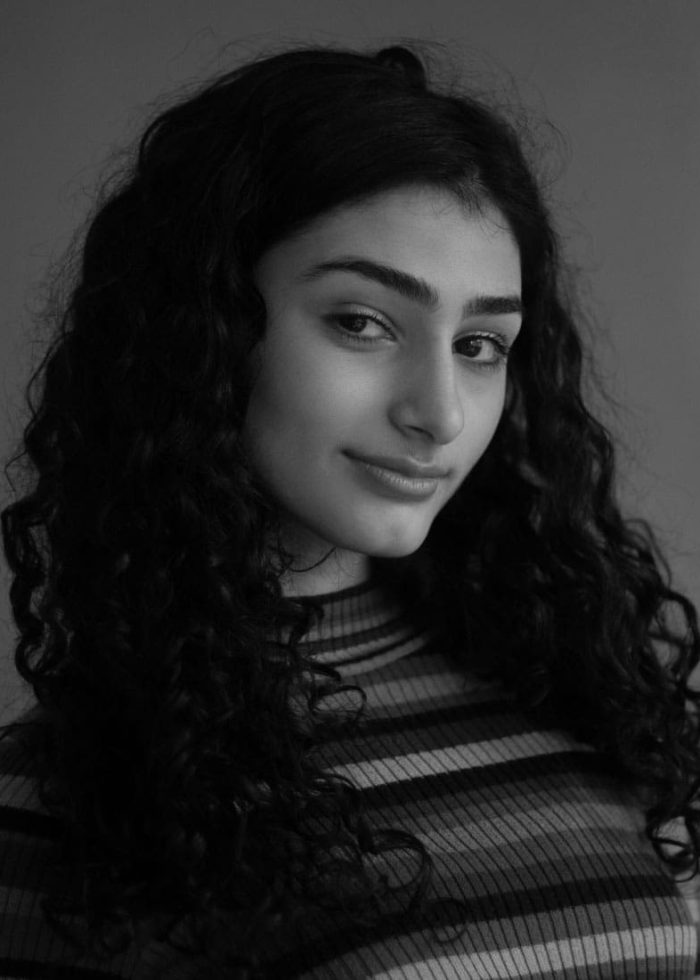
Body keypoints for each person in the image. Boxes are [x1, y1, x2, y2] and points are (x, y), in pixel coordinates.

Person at [1, 40, 699, 980]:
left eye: (482, 344)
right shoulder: (67, 805)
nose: (440, 411)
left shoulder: (587, 697)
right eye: (362, 323)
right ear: (202, 329)